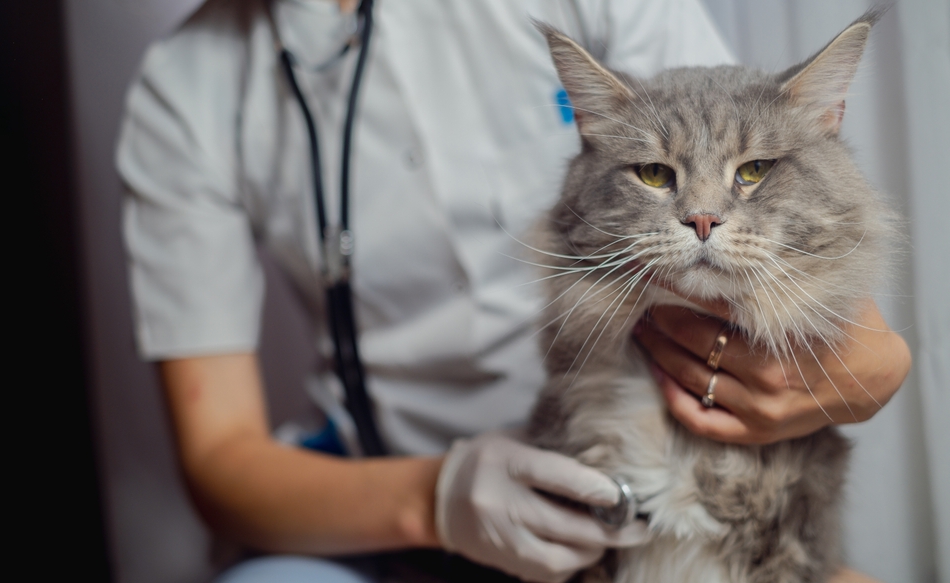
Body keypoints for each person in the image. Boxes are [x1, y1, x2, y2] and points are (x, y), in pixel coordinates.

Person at [116, 1, 911, 581]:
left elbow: (736, 121)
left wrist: (872, 364)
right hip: (375, 482)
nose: (700, 211)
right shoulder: (185, 88)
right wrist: (437, 498)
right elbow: (219, 459)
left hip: (658, 421)